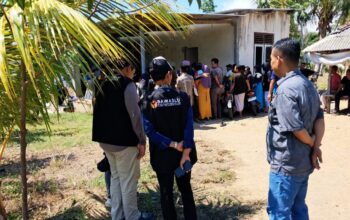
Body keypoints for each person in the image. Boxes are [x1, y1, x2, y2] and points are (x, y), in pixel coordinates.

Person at [266, 38, 325, 220]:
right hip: (303, 163)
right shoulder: (309, 85)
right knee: (299, 209)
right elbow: (320, 120)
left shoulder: (285, 89)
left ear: (279, 59)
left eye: (271, 58)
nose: (270, 62)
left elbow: (295, 128)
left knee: (279, 213)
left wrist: (311, 141)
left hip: (286, 164)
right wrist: (315, 147)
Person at [92, 58, 152, 220]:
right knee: (128, 182)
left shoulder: (102, 83)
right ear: (127, 69)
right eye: (133, 70)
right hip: (124, 142)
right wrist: (141, 140)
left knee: (117, 178)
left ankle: (117, 216)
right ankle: (133, 216)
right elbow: (135, 115)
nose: (133, 73)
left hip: (105, 141)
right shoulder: (127, 85)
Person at [143, 56, 198, 220]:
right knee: (185, 189)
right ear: (169, 74)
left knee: (166, 193)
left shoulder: (148, 100)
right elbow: (189, 127)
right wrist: (186, 152)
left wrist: (171, 144)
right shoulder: (182, 98)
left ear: (152, 77)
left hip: (163, 158)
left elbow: (149, 130)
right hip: (183, 158)